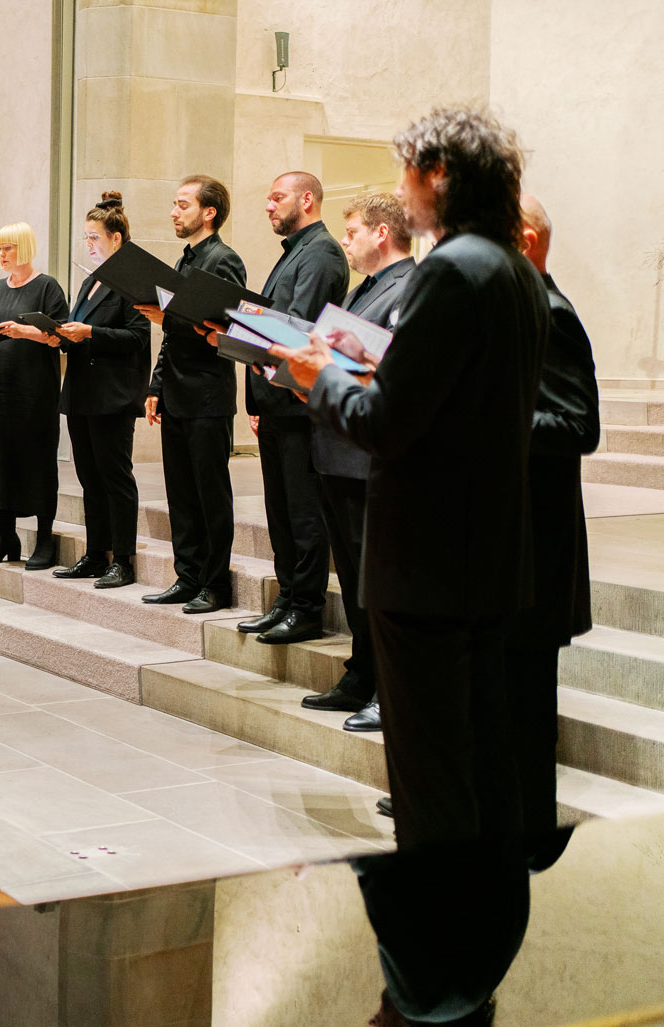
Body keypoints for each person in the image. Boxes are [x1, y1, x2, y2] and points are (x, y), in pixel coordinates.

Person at [272, 106, 547, 855]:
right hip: (488, 551)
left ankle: (439, 938)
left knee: (430, 772)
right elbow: (460, 399)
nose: (401, 188)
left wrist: (319, 378)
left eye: (406, 172)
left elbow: (388, 424)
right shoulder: (514, 271)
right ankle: (482, 923)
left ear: (440, 176)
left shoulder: (450, 271)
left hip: (427, 560)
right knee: (482, 754)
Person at [299, 193, 415, 729]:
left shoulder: (407, 288)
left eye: (351, 232)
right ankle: (361, 671)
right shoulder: (363, 289)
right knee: (351, 575)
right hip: (336, 448)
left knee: (376, 582)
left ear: (382, 234)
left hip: (365, 454)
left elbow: (392, 369)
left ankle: (386, 687)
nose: (344, 242)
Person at [508, 193, 601, 840]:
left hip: (538, 552)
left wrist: (485, 412)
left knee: (528, 710)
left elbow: (577, 426)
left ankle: (533, 837)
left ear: (528, 240)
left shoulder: (552, 314)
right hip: (506, 546)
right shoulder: (514, 311)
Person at [235, 172, 349, 645]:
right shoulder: (294, 253)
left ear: (307, 199)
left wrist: (248, 323)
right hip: (277, 404)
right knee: (280, 511)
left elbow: (297, 329)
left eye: (276, 197)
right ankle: (286, 598)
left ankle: (306, 606)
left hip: (301, 407)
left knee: (303, 514)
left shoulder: (320, 253)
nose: (268, 205)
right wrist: (257, 396)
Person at [138, 175, 247, 613]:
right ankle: (188, 576)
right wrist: (156, 386)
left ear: (209, 213)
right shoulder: (186, 260)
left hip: (207, 395)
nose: (173, 212)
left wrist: (167, 319)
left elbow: (224, 329)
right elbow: (173, 336)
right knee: (180, 492)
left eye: (182, 204)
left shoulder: (224, 260)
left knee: (209, 494)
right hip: (179, 392)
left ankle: (215, 584)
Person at [49, 193, 151, 589]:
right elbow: (79, 329)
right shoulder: (91, 281)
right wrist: (58, 335)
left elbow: (138, 337)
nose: (89, 244)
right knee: (90, 478)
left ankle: (122, 560)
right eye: (86, 238)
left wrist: (89, 332)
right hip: (82, 392)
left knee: (115, 477)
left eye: (95, 237)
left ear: (117, 239)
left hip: (113, 394)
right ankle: (95, 553)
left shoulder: (131, 281)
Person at [0, 222, 69, 569]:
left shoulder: (47, 287)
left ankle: (45, 538)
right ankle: (7, 535)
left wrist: (25, 332)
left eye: (8, 248)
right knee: (2, 459)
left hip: (35, 390)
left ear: (24, 247)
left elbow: (60, 335)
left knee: (37, 459)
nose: (2, 255)